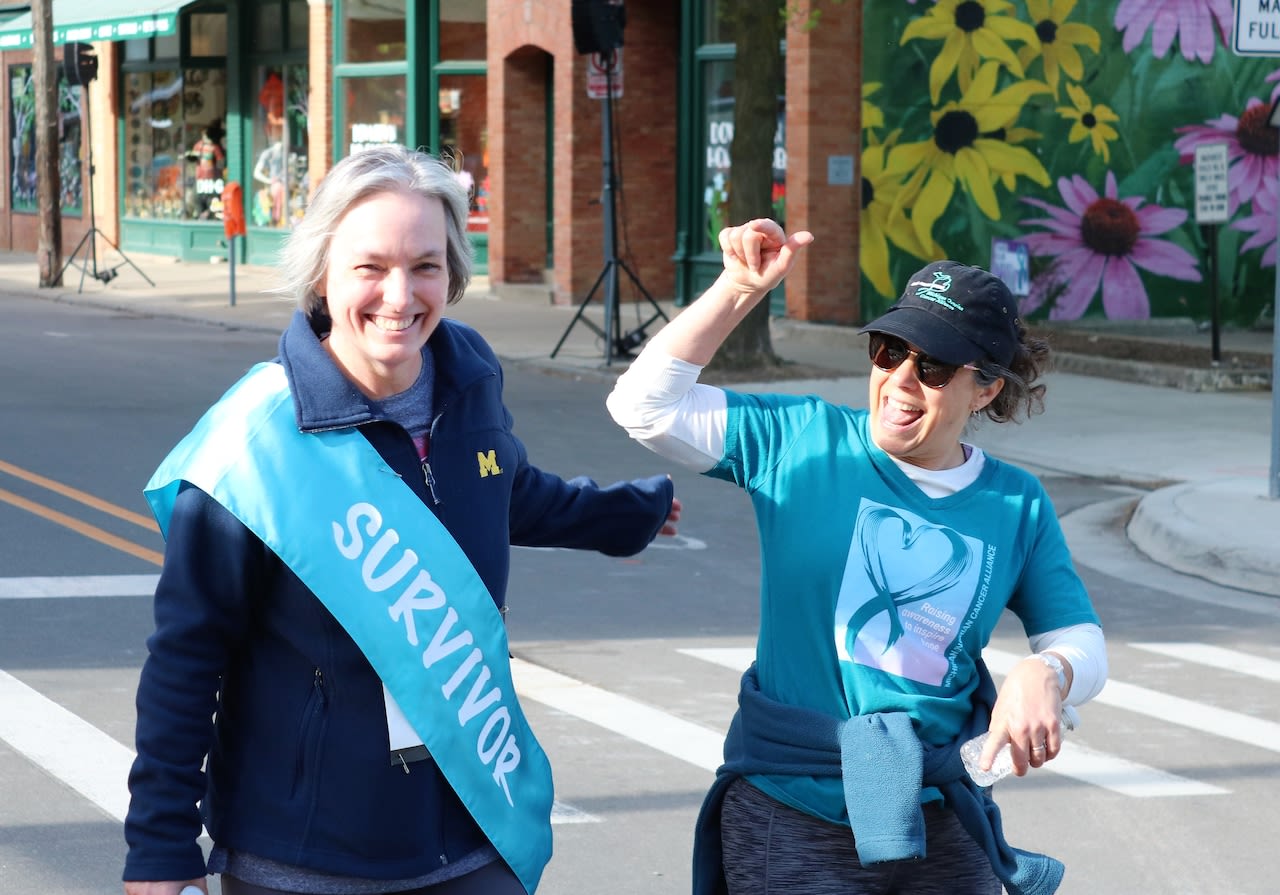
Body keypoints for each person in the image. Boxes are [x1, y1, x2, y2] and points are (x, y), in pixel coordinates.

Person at [123, 144, 681, 895]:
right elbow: (186, 658)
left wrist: (623, 515)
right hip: (306, 855)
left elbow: (501, 489)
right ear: (323, 272)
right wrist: (160, 848)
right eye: (370, 266)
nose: (400, 293)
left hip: (470, 827)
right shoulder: (255, 447)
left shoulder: (468, 377)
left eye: (426, 264)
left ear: (452, 271)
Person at [606, 219, 1107, 895]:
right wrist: (736, 288)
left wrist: (1046, 671)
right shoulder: (801, 440)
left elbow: (1079, 637)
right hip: (795, 809)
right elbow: (642, 407)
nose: (900, 380)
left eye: (930, 366)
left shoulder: (1014, 502)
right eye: (887, 350)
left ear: (984, 388)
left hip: (940, 815)